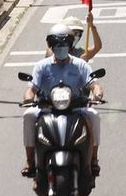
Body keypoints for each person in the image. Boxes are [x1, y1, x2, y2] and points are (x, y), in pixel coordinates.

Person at [22, 24, 103, 180]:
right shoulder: (41, 66)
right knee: (28, 115)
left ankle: (93, 158)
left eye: (64, 44)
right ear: (51, 46)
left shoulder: (81, 65)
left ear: (70, 45)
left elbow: (94, 85)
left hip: (76, 108)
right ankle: (30, 160)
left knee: (94, 115)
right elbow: (32, 88)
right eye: (57, 45)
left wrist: (97, 94)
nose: (60, 48)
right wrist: (28, 97)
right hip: (47, 108)